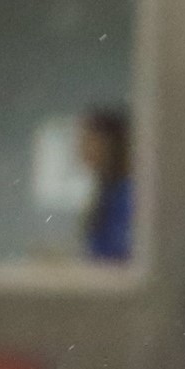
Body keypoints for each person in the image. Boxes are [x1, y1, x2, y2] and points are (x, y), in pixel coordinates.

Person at [79, 108, 133, 265]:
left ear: (111, 143)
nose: (81, 148)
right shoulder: (107, 192)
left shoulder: (127, 194)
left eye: (89, 140)